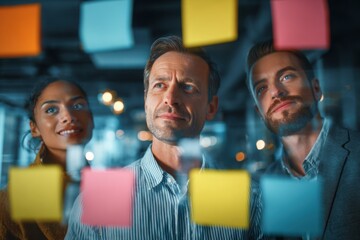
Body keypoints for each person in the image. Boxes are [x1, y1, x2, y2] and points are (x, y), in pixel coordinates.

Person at [66, 36, 264, 239]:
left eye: (188, 87)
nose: (170, 98)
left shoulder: (249, 200)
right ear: (146, 100)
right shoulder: (98, 201)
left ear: (211, 107)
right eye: (160, 85)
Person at [246, 40, 360, 239]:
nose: (275, 92)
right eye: (262, 89)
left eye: (287, 76)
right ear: (259, 113)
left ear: (316, 88)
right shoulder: (262, 189)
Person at [0, 78, 94, 240]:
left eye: (77, 106)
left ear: (91, 119)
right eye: (51, 110)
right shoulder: (10, 201)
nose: (68, 116)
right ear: (34, 128)